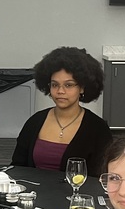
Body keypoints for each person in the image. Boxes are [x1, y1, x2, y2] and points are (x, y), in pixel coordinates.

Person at [12, 47, 113, 175]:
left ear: (82, 88)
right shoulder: (34, 122)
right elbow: (17, 167)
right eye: (55, 85)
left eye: (68, 85)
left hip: (79, 194)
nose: (60, 91)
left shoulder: (98, 129)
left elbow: (102, 177)